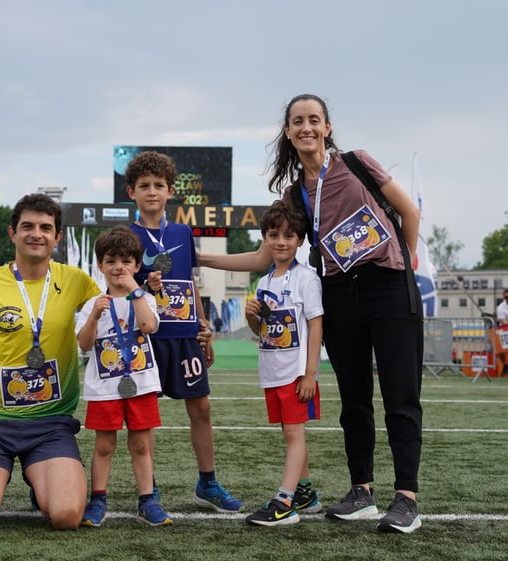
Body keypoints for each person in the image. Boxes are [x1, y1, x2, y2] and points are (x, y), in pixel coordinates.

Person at [199, 94, 423, 533]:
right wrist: (203, 259)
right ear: (288, 131)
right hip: (338, 292)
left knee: (400, 395)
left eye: (314, 120)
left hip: (388, 285)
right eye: (297, 121)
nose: (306, 127)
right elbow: (264, 257)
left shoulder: (358, 163)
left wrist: (405, 266)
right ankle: (362, 491)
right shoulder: (294, 193)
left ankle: (406, 498)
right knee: (354, 400)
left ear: (327, 127)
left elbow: (409, 210)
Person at [0, 193, 100, 530]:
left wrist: (195, 327)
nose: (36, 234)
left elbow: (119, 310)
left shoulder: (77, 281)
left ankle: (40, 477)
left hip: (50, 424)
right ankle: (3, 472)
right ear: (12, 232)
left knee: (66, 517)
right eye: (27, 226)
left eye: (46, 227)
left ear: (57, 237)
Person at [126, 150, 243, 513]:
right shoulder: (126, 235)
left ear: (170, 190)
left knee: (202, 408)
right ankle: (150, 490)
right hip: (145, 337)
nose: (151, 192)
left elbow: (190, 281)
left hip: (184, 335)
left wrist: (203, 325)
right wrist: (144, 280)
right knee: (146, 416)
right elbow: (118, 280)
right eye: (144, 186)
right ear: (131, 192)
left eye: (158, 185)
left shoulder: (180, 231)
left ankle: (207, 482)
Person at [76, 226, 171, 527]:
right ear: (101, 265)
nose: (119, 267)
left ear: (137, 265)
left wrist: (135, 290)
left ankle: (148, 500)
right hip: (104, 389)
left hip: (140, 386)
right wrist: (93, 316)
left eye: (126, 261)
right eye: (111, 260)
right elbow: (84, 343)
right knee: (104, 445)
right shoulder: (93, 303)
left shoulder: (144, 297)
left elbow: (148, 326)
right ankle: (98, 499)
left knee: (141, 445)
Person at [243, 201, 324, 527]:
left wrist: (309, 374)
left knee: (294, 434)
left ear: (300, 240)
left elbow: (316, 325)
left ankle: (284, 501)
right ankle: (305, 493)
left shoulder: (306, 278)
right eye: (274, 234)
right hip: (272, 373)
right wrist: (251, 318)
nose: (281, 241)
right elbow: (262, 333)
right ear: (264, 237)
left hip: (295, 374)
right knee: (288, 433)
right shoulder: (263, 282)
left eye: (289, 235)